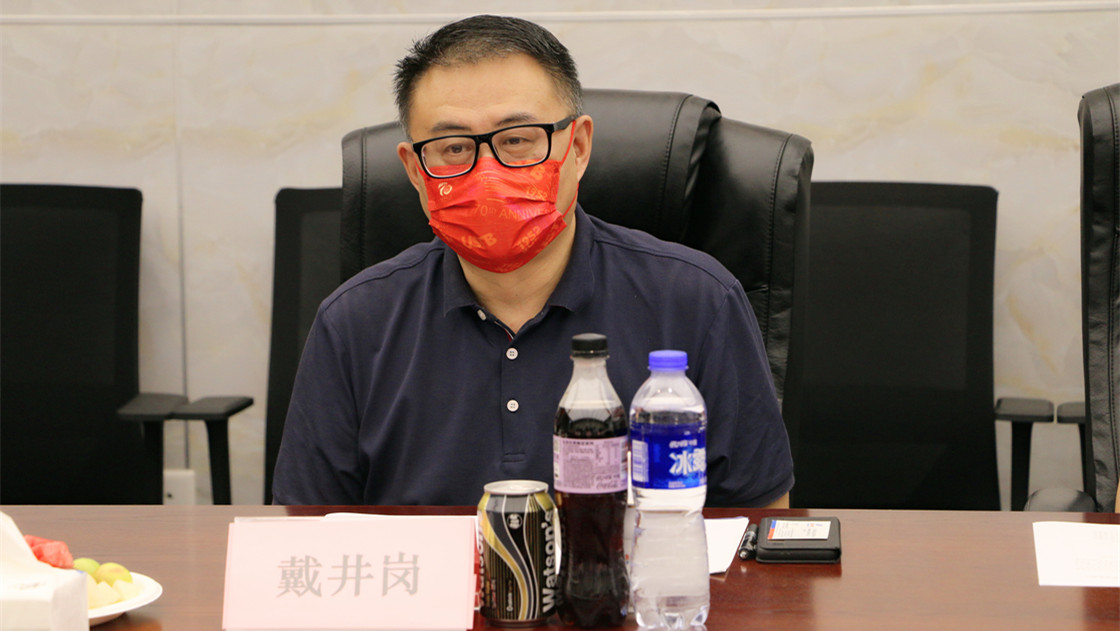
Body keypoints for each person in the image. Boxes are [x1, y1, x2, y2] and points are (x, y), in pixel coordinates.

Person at [272, 14, 793, 508]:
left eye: (518, 141)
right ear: (415, 170)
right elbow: (301, 535)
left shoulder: (698, 301)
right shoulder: (353, 322)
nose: (488, 172)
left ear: (579, 146)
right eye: (452, 148)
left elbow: (762, 526)